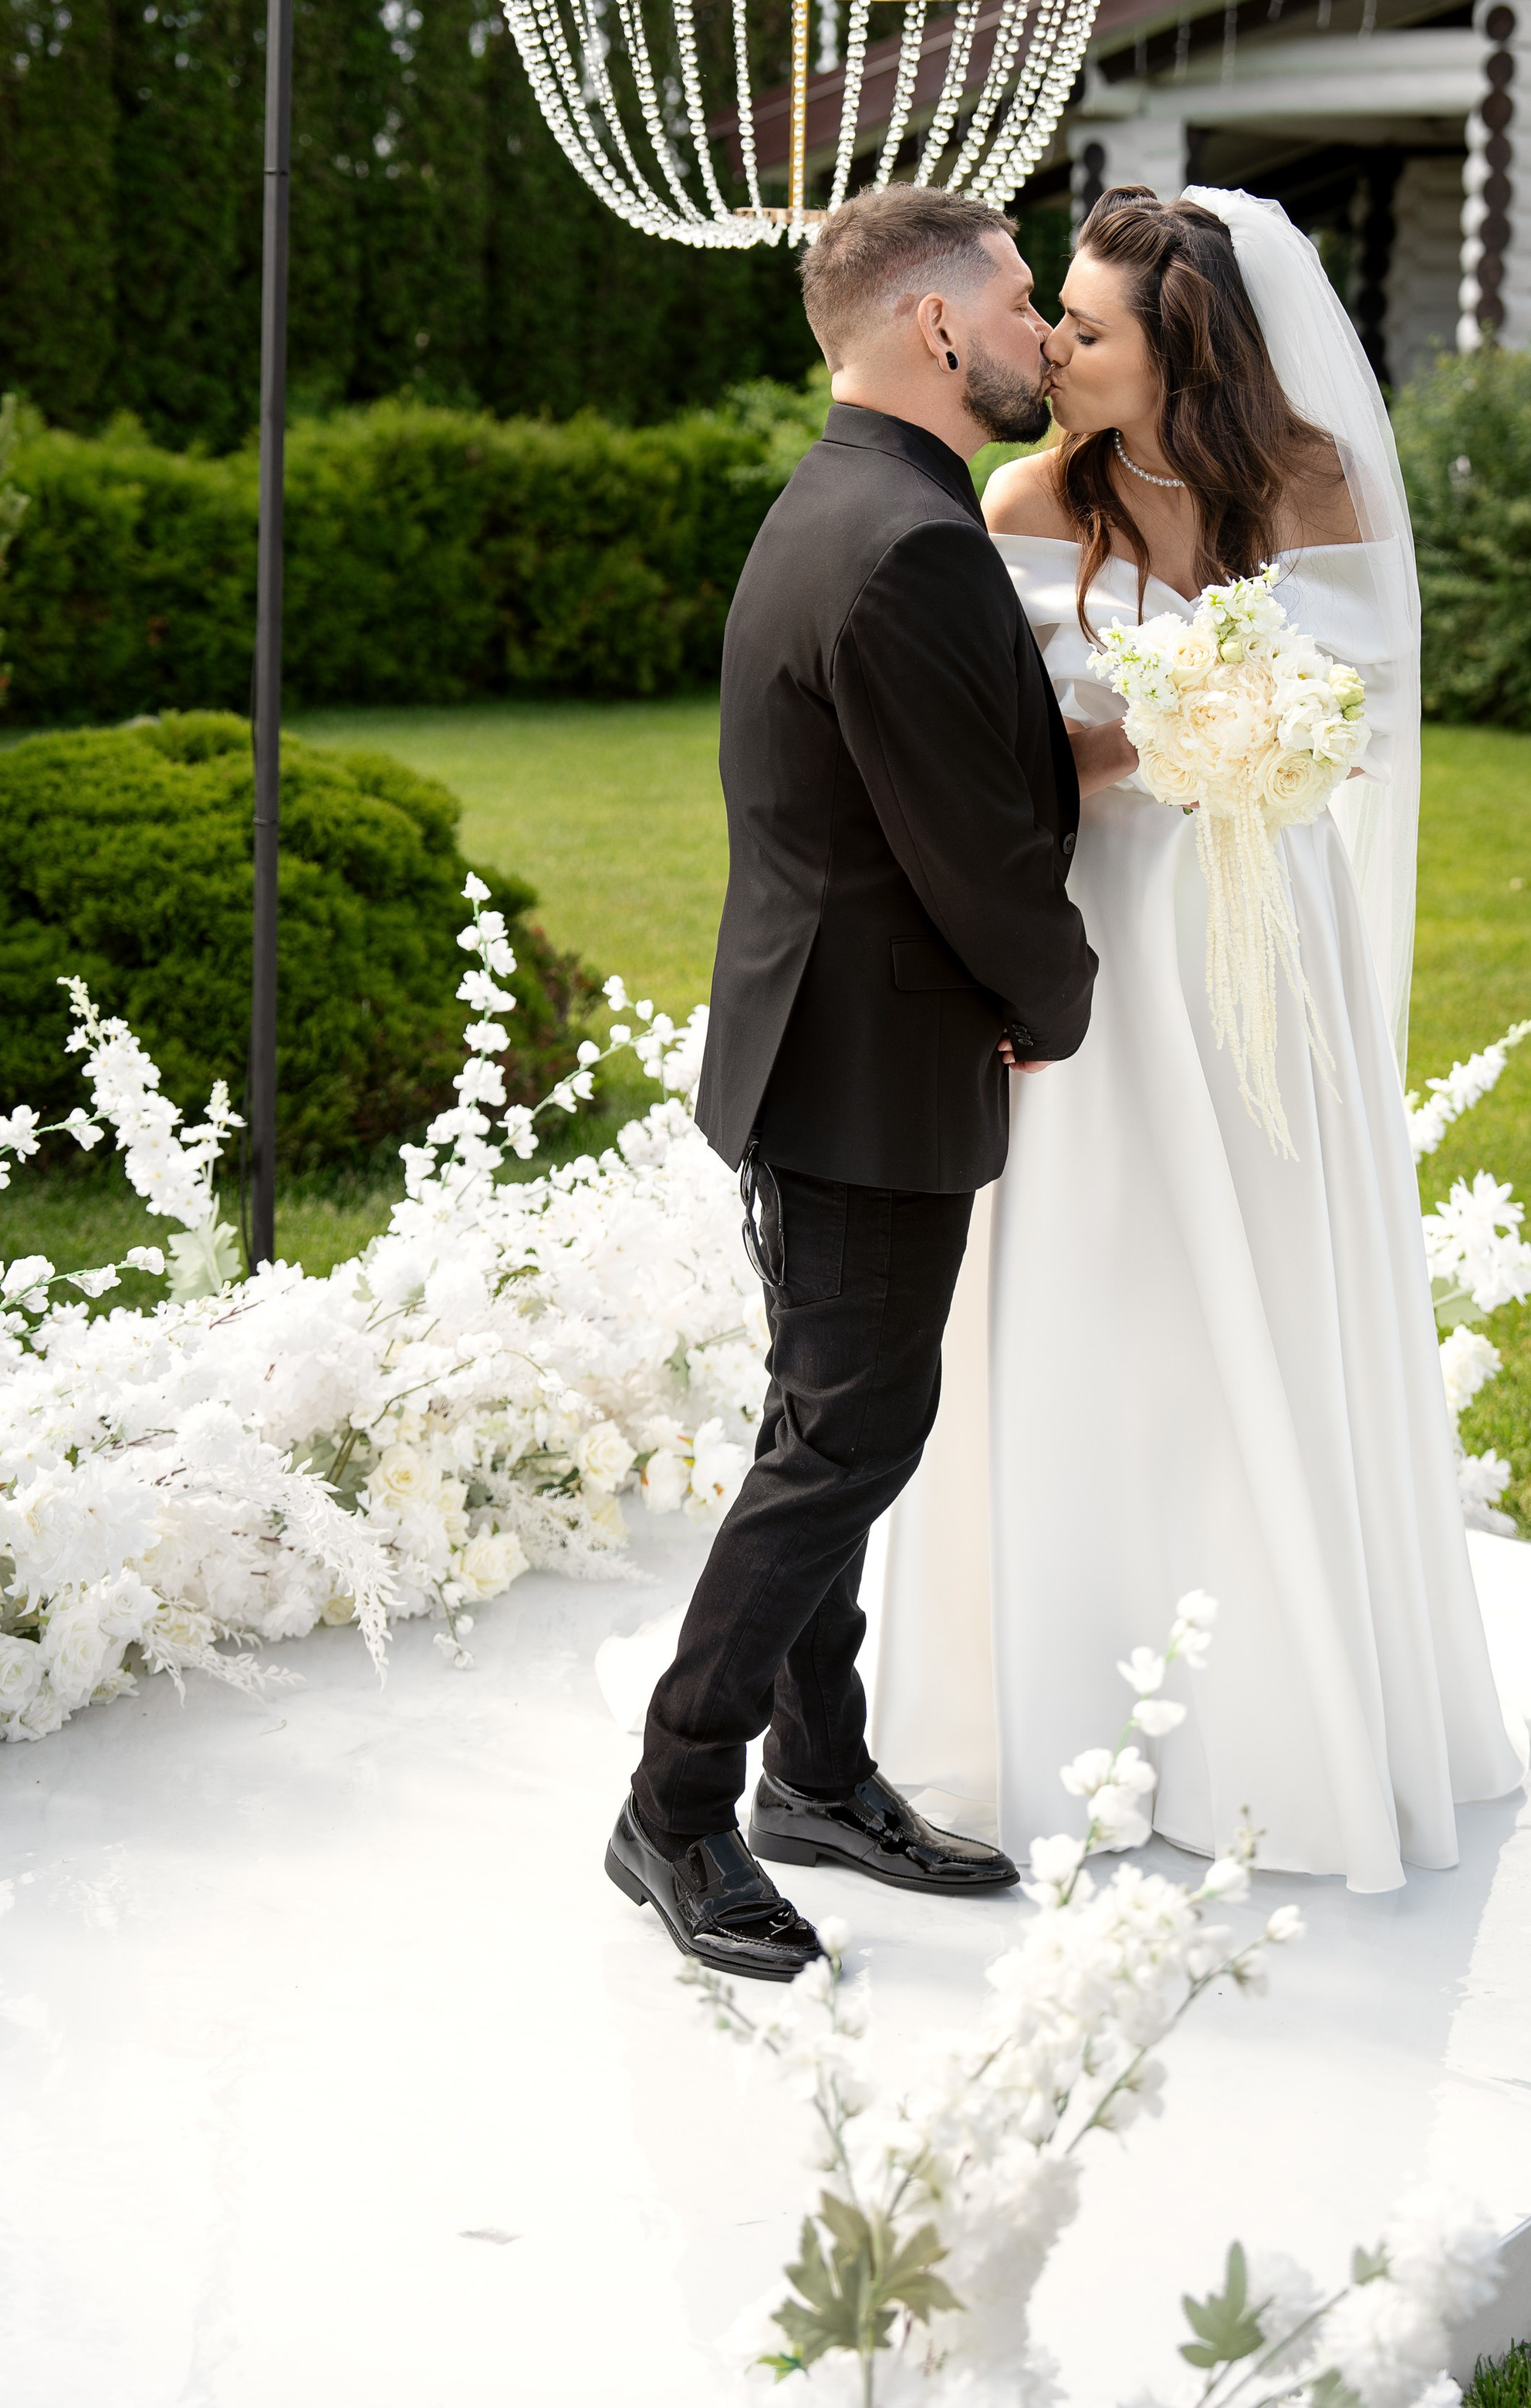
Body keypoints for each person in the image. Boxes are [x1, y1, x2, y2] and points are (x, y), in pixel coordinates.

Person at [868, 186, 1526, 1893]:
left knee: (1264, 1277)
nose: (1049, 347)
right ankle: (1066, 1700)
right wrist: (1148, 735)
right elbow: (997, 746)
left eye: (1087, 329)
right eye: (1055, 316)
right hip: (1090, 935)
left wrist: (1235, 731)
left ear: (1189, 354)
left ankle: (1283, 1716)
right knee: (1091, 1283)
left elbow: (1358, 713)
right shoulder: (1026, 499)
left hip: (1257, 940)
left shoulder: (1310, 485)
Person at [606, 184, 1099, 1979]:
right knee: (845, 1440)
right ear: (934, 327)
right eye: (1021, 298)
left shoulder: (843, 497)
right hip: (866, 1069)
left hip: (821, 1049)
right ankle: (673, 1808)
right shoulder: (907, 542)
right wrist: (1058, 1001)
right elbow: (975, 848)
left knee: (824, 1425)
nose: (1043, 329)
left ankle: (814, 1774)